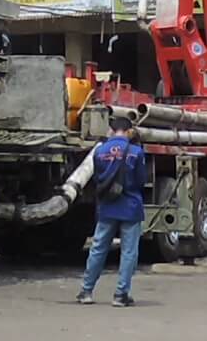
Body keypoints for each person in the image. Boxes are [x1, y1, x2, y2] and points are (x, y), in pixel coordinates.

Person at [77, 114, 148, 307]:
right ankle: (120, 294)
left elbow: (98, 178)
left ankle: (86, 291)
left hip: (108, 206)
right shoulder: (136, 152)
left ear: (112, 130)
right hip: (131, 206)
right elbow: (141, 180)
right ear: (129, 131)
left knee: (98, 248)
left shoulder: (100, 152)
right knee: (128, 252)